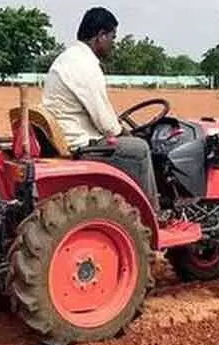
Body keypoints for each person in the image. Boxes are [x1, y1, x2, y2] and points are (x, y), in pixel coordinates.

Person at [41, 7, 160, 212]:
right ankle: (153, 212)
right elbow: (107, 124)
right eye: (112, 37)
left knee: (131, 143)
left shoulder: (67, 58)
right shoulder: (85, 65)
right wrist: (126, 132)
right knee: (139, 149)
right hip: (78, 143)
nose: (113, 44)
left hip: (64, 135)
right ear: (100, 36)